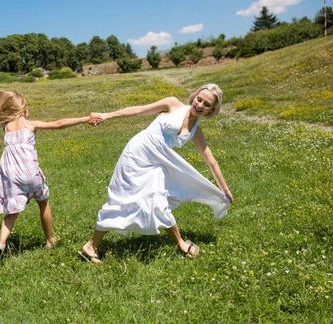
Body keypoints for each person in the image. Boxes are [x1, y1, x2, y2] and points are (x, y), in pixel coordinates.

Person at [80, 84, 233, 264]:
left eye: (206, 104)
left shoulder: (196, 131)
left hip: (157, 163)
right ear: (194, 96)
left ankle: (181, 243)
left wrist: (225, 188)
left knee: (158, 200)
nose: (200, 105)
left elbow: (211, 160)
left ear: (211, 110)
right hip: (136, 155)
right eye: (199, 99)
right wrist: (107, 115)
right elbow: (138, 110)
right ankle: (90, 245)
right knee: (122, 200)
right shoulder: (172, 104)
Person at [0, 90, 91, 263]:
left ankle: (1, 243)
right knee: (43, 203)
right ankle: (49, 240)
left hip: (12, 177)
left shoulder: (6, 128)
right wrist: (85, 119)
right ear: (21, 108)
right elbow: (59, 124)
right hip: (30, 175)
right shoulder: (30, 124)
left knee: (12, 212)